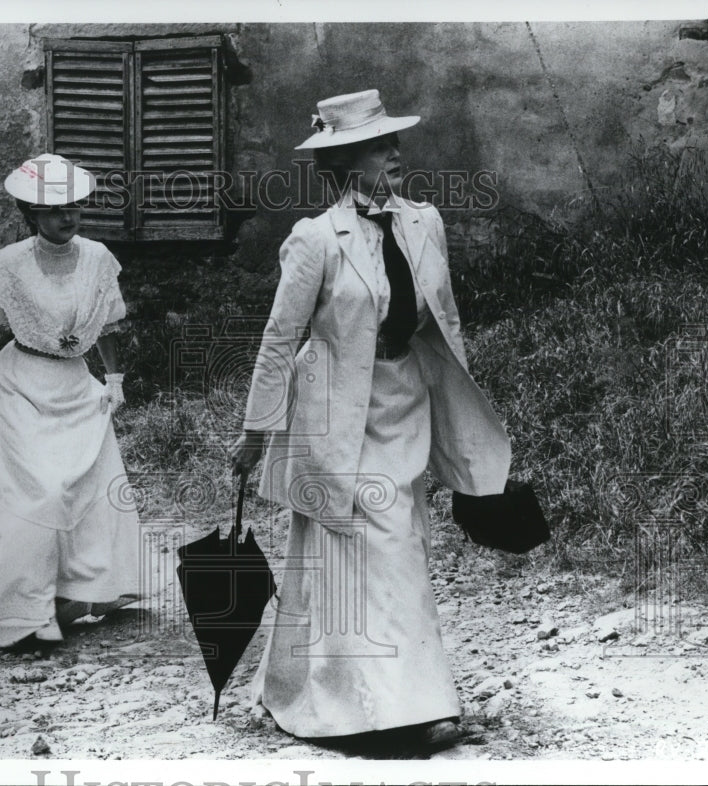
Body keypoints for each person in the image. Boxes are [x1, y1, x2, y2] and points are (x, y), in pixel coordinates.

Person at [229, 90, 512, 746]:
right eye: (379, 145)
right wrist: (256, 431)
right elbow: (280, 339)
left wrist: (458, 422)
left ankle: (383, 697)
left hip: (404, 401)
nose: (395, 152)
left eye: (393, 142)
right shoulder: (315, 240)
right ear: (344, 161)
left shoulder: (424, 222)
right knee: (360, 547)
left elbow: (446, 323)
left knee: (398, 544)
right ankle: (384, 712)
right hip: (335, 417)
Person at [0, 154, 141, 648]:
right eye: (53, 211)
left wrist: (112, 377)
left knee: (86, 486)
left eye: (73, 207)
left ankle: (74, 596)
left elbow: (109, 322)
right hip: (21, 385)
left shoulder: (97, 257)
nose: (66, 217)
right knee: (38, 492)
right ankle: (21, 611)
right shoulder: (7, 265)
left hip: (75, 383)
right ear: (31, 215)